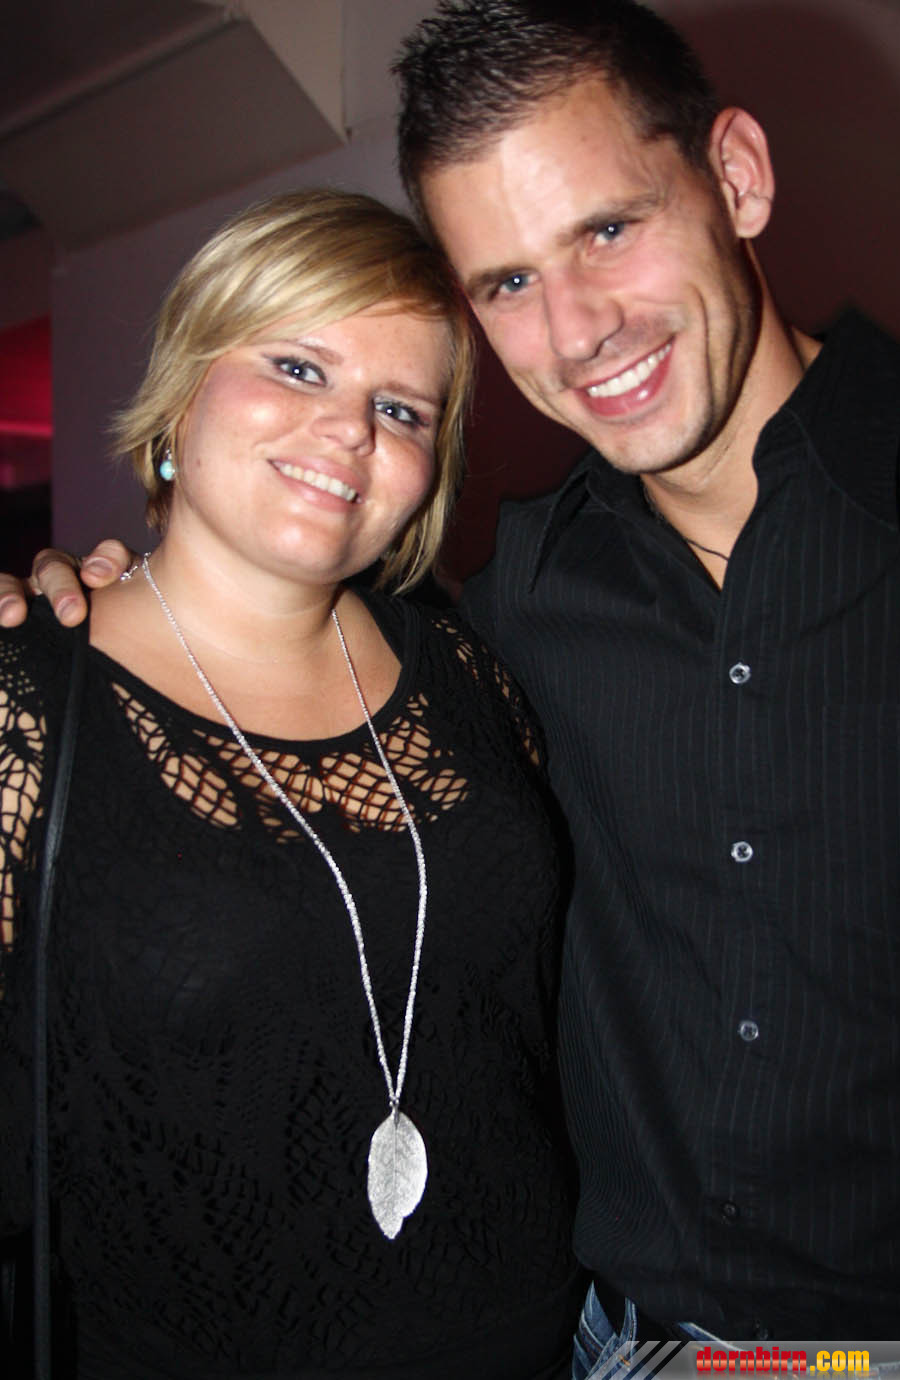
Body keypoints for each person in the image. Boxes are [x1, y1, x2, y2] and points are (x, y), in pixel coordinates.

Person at [10, 0, 900, 1356]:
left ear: (735, 177)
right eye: (509, 284)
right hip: (608, 1343)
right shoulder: (519, 600)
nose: (579, 328)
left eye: (607, 229)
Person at [0, 187, 584, 1379]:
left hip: (549, 1343)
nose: (350, 431)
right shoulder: (27, 705)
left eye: (400, 407)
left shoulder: (472, 665)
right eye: (298, 367)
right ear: (185, 385)